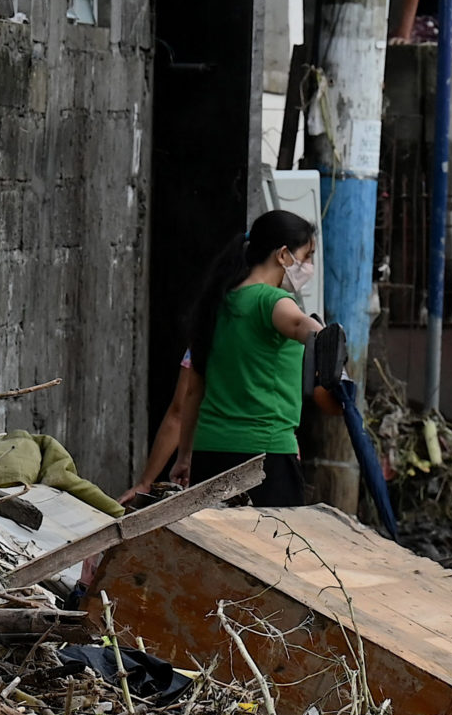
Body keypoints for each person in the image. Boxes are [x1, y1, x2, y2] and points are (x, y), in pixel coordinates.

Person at [123, 210, 323, 507]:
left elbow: (194, 391)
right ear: (283, 255)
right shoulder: (273, 301)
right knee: (272, 551)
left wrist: (185, 456)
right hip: (264, 458)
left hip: (209, 455)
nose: (309, 266)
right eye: (307, 256)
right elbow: (299, 325)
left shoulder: (216, 305)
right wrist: (327, 341)